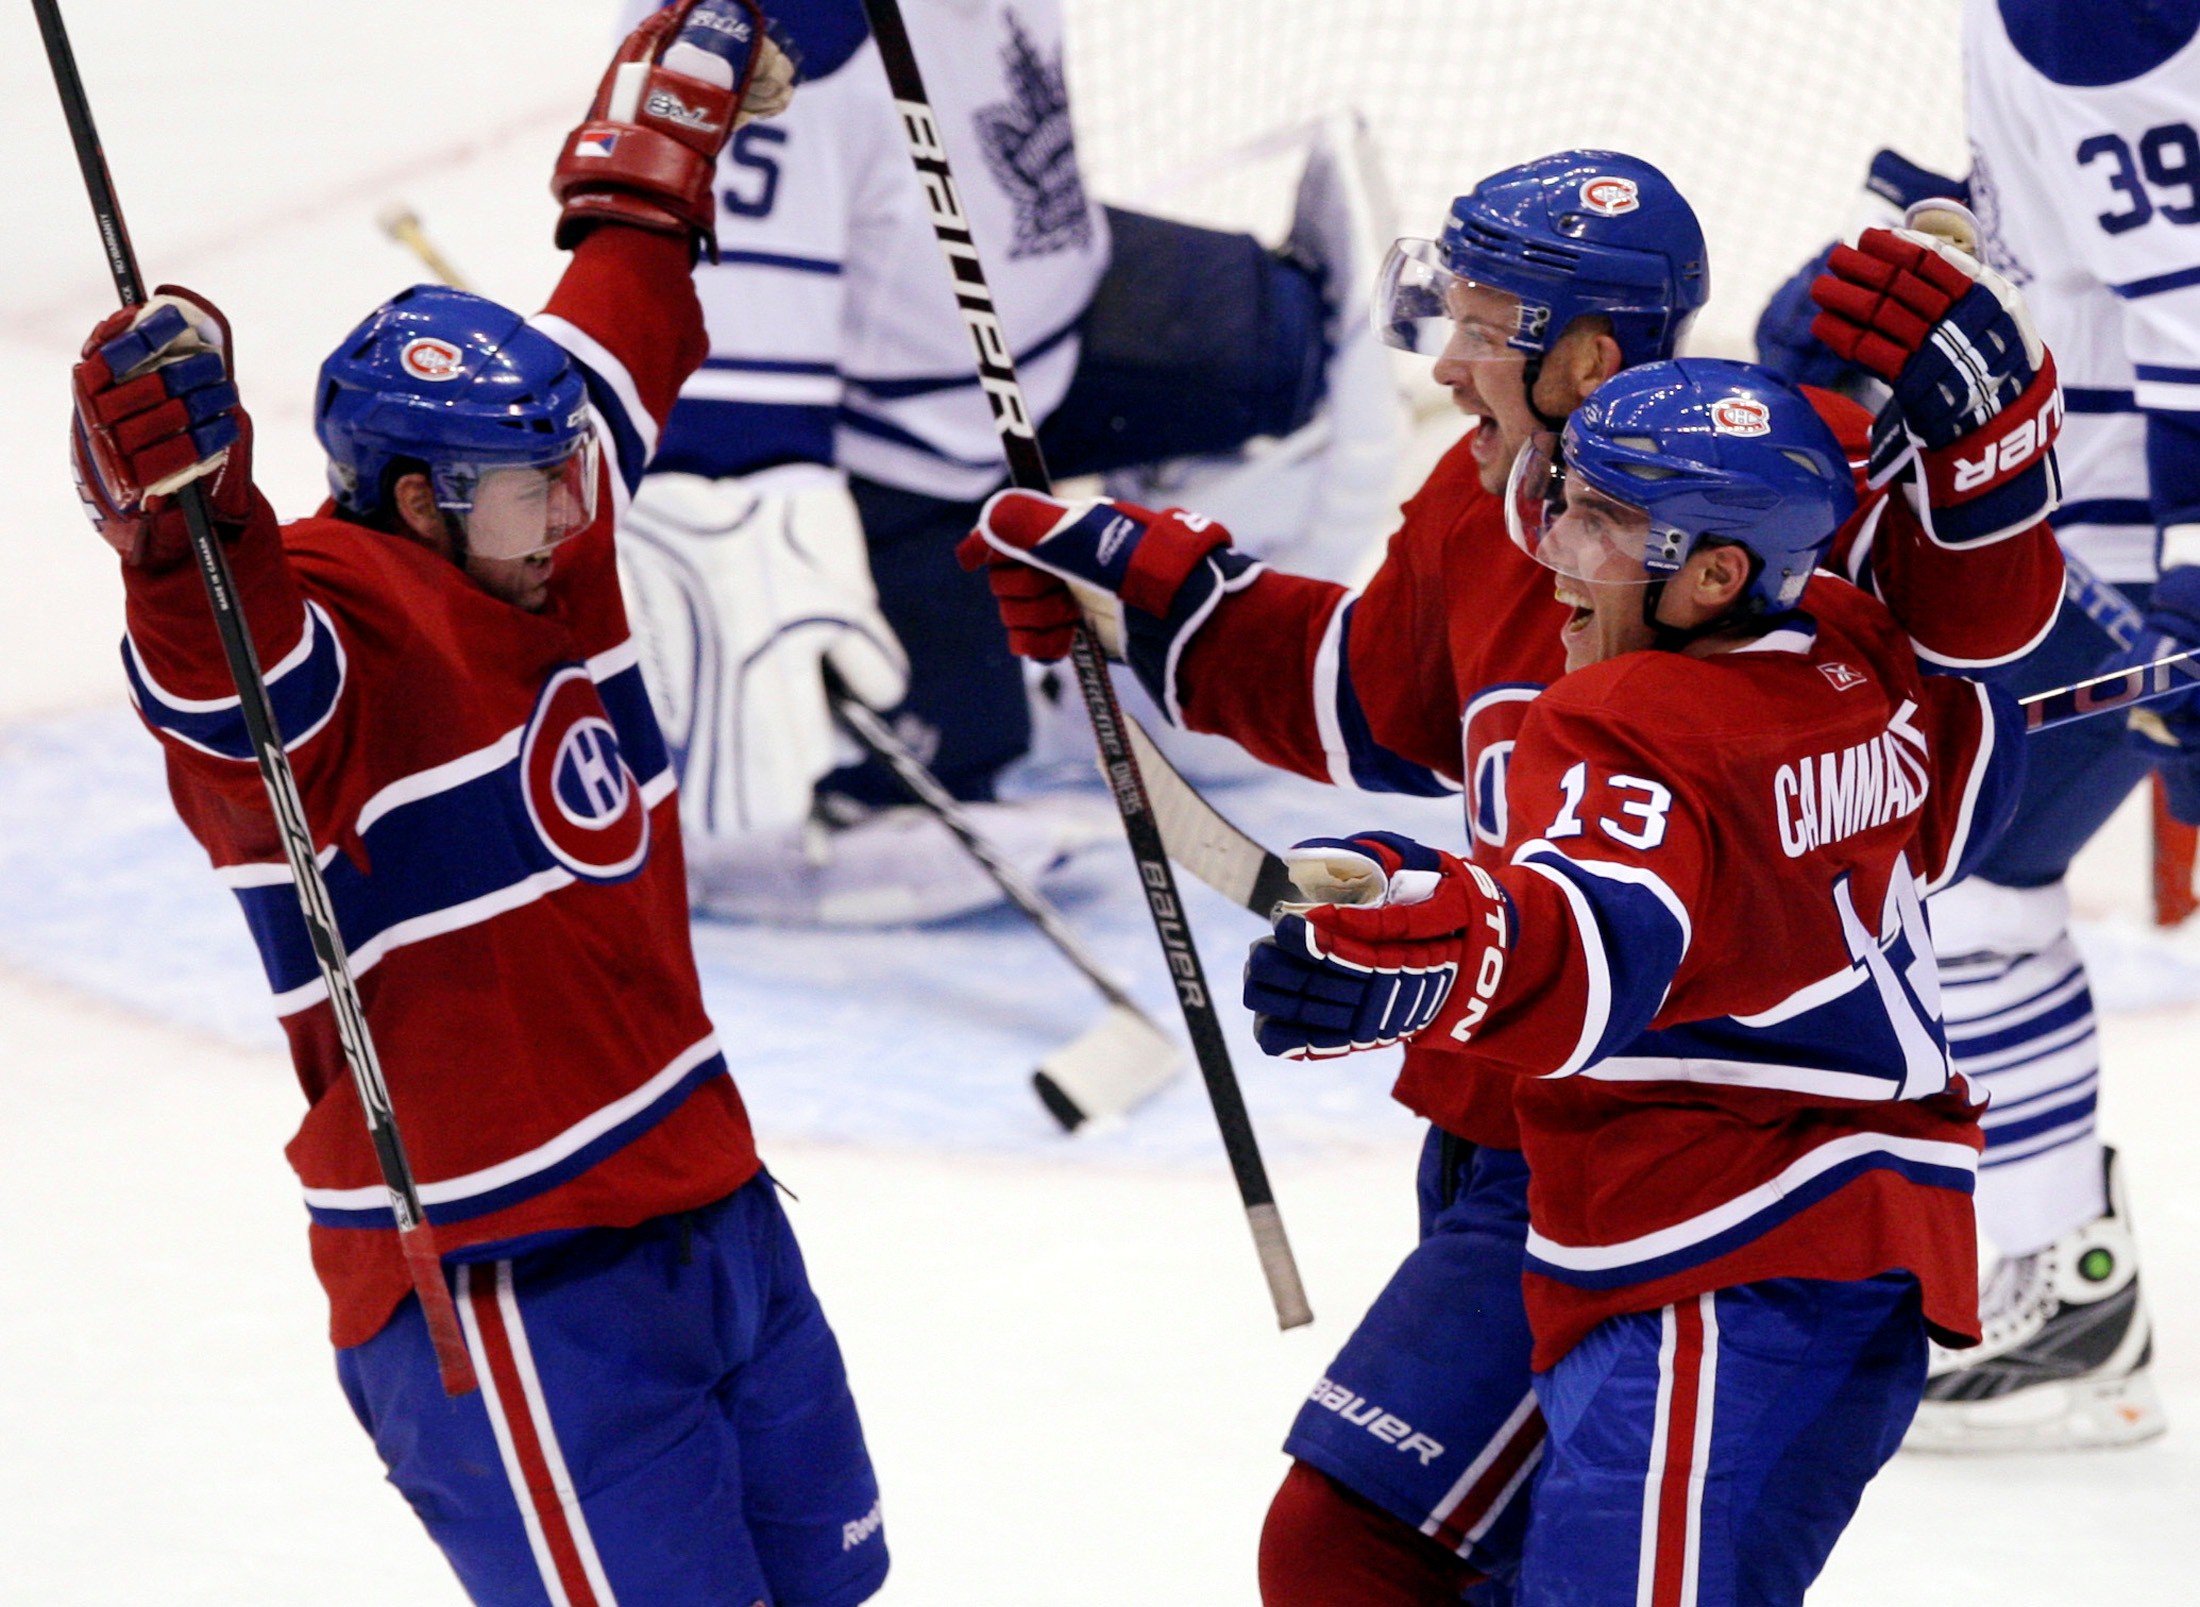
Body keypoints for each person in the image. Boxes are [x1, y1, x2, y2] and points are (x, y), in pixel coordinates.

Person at [960, 151, 2065, 1601]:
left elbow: (1939, 787)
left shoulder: (1773, 515)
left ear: (1587, 356)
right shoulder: (1521, 511)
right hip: (1541, 1128)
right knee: (1351, 1546)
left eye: (1480, 328)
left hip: (1750, 1162)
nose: (1446, 358)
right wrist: (1154, 596)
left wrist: (1990, 475)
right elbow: (1370, 692)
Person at [67, 7, 888, 1604]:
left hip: (710, 1208)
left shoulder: (531, 500)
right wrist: (179, 524)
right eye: (540, 490)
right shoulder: (322, 621)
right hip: (506, 1276)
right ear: (412, 497)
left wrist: (672, 124)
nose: (586, 511)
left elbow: (629, 285)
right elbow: (229, 681)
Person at [1238, 356, 2024, 1605]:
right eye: (1572, 502)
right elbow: (1954, 778)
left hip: (1741, 1241)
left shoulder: (1625, 714)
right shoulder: (1853, 649)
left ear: (1714, 574)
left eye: (1602, 523)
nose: (1555, 550)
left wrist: (1436, 954)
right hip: (1774, 1232)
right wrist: (1428, 888)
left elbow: (1600, 937)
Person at [611, 0, 1404, 924]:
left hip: (1049, 324)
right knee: (957, 733)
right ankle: (799, 815)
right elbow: (729, 390)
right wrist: (748, 558)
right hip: (898, 450)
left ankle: (1163, 646)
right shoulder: (784, 49)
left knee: (1267, 343)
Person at [1752, 0, 2200, 1450]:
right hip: (2114, 531)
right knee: (1968, 888)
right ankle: (2051, 1280)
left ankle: (2051, 1288)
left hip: (2118, 549)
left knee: (1939, 878)